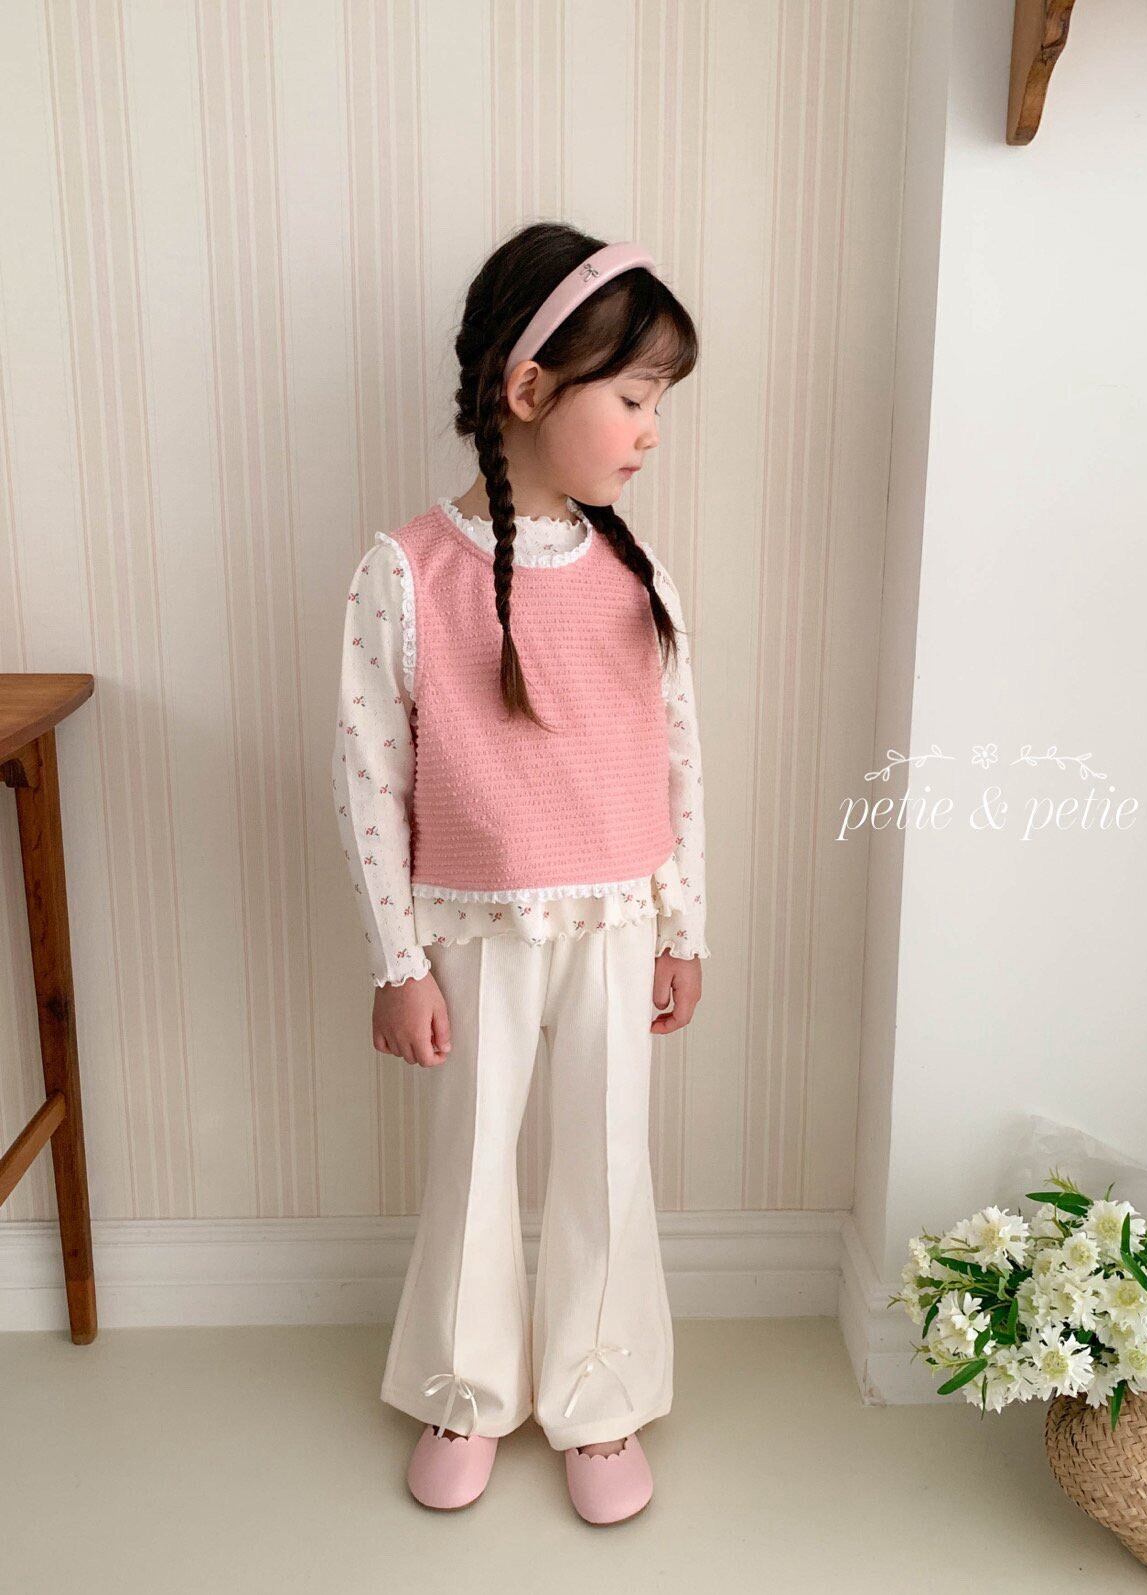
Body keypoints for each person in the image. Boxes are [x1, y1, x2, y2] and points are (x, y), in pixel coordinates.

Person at [331, 223, 709, 1524]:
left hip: (615, 919)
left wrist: (684, 928)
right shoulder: (407, 572)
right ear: (531, 387)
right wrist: (396, 961)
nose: (650, 432)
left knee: (607, 1160)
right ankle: (465, 1386)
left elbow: (678, 761)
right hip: (473, 925)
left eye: (659, 404)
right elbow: (370, 777)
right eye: (635, 398)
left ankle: (599, 1397)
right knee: (473, 1162)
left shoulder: (637, 575)